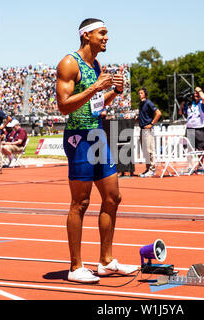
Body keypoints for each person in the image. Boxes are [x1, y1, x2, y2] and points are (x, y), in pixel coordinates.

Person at [56, 18, 138, 284]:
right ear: (86, 35)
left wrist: (114, 92)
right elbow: (64, 106)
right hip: (79, 137)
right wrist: (95, 87)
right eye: (102, 33)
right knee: (80, 202)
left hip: (98, 134)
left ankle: (105, 261)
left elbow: (96, 105)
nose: (106, 38)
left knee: (113, 197)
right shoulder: (69, 63)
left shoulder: (96, 65)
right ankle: (75, 266)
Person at [180, 87, 204, 174]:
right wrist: (183, 101)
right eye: (194, 94)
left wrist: (199, 90)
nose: (195, 96)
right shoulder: (189, 104)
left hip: (199, 127)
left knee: (200, 148)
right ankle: (189, 166)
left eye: (197, 94)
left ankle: (200, 166)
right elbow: (180, 112)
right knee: (189, 148)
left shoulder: (202, 103)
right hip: (190, 128)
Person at [138, 88, 162, 178]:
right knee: (145, 151)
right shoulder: (141, 104)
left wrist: (151, 124)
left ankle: (152, 169)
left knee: (149, 150)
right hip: (142, 129)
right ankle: (148, 169)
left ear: (145, 94)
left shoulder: (148, 103)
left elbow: (158, 113)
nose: (140, 95)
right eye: (139, 93)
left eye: (141, 93)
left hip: (147, 129)